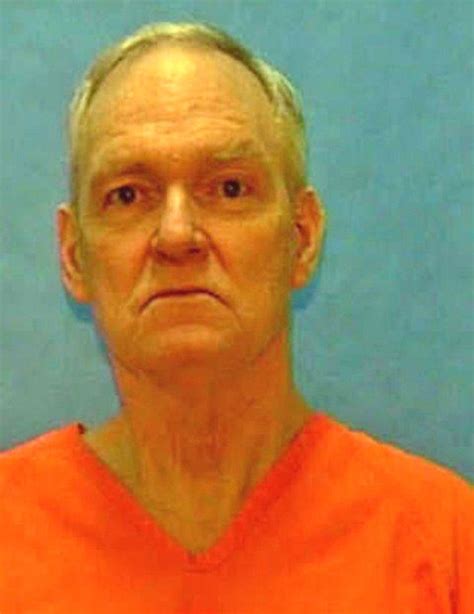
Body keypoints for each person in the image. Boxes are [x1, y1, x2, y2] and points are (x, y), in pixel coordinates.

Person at [0, 21, 472, 614]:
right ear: (73, 256)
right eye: (128, 195)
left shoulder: (446, 547)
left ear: (302, 238)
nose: (177, 235)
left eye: (228, 189)